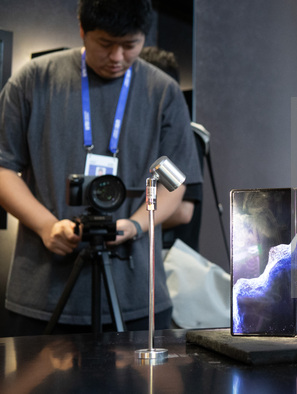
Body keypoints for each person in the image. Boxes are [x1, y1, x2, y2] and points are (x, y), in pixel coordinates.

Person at [0, 0, 201, 335]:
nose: (117, 57)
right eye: (106, 44)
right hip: (42, 290)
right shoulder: (34, 80)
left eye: (130, 45)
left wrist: (136, 226)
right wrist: (47, 226)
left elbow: (175, 183)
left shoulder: (162, 91)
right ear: (82, 30)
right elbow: (4, 168)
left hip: (136, 292)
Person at [139, 46, 205, 252]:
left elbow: (183, 211)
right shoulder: (143, 134)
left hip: (169, 259)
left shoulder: (184, 136)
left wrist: (130, 223)